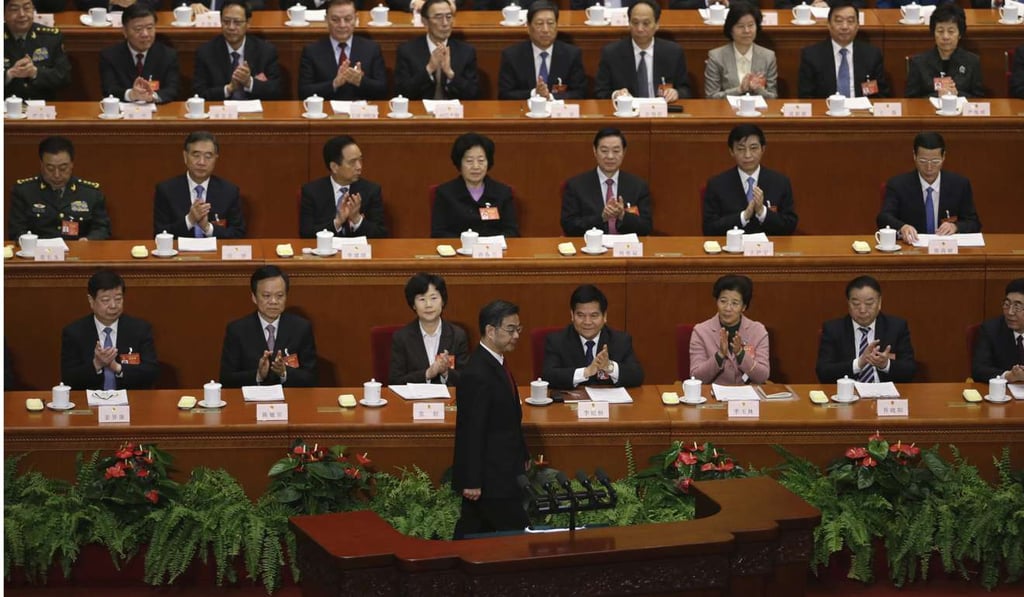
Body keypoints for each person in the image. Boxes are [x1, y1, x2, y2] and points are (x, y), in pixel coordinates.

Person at [452, 299, 530, 539]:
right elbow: (471, 431)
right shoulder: (477, 373)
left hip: (501, 470)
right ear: (490, 330)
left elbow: (508, 419)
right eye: (510, 329)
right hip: (490, 478)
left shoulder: (497, 363)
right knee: (517, 533)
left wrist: (523, 454)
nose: (516, 335)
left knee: (473, 531)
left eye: (519, 329)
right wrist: (472, 480)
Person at [220, 266, 318, 388]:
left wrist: (284, 373)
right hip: (251, 402)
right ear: (254, 297)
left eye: (280, 295)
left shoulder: (301, 328)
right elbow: (226, 380)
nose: (273, 301)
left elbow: (312, 378)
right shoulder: (237, 330)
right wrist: (258, 375)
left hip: (290, 401)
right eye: (266, 296)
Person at [60, 269, 159, 391]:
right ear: (91, 301)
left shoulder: (139, 329)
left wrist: (117, 367)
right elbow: (69, 379)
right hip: (89, 402)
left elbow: (151, 373)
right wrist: (97, 364)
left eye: (118, 299)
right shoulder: (74, 333)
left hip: (131, 401)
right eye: (106, 300)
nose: (113, 305)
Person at [877, 131, 980, 243]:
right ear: (914, 156)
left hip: (946, 250)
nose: (929, 167)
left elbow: (974, 223)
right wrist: (902, 227)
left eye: (935, 161)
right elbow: (884, 218)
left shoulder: (959, 185)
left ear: (944, 156)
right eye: (923, 161)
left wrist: (956, 227)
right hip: (912, 250)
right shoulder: (898, 185)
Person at [816, 275, 916, 384]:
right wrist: (858, 364)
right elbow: (823, 372)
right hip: (848, 395)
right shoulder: (833, 329)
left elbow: (909, 370)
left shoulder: (896, 327)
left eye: (869, 303)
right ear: (848, 303)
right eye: (856, 304)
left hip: (885, 396)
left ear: (879, 303)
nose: (862, 310)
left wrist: (885, 365)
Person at [542, 284, 644, 390]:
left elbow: (637, 376)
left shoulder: (620, 340)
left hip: (611, 405)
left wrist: (609, 367)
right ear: (572, 315)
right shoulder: (557, 341)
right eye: (580, 315)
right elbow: (548, 376)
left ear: (604, 316)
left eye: (594, 316)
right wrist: (586, 372)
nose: (587, 322)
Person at [703, 124, 798, 237]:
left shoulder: (780, 182)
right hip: (732, 251)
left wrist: (762, 212)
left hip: (770, 250)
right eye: (741, 149)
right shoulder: (716, 185)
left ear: (763, 149)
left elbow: (790, 226)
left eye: (753, 148)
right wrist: (743, 216)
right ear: (731, 151)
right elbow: (709, 229)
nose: (747, 155)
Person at [9, 136, 111, 241]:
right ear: (41, 165)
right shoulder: (24, 192)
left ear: (72, 164)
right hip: (37, 253)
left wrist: (88, 240)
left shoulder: (91, 193)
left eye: (63, 168)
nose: (57, 175)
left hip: (78, 253)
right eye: (50, 168)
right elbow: (17, 231)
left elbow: (102, 229)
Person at [561, 128, 653, 237]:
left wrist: (623, 215)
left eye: (616, 151)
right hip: (591, 248)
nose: (610, 156)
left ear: (624, 152)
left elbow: (646, 227)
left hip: (626, 249)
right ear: (595, 151)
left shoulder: (638, 186)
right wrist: (602, 218)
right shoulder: (576, 186)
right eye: (604, 151)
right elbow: (569, 226)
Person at [153, 131, 246, 238]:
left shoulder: (229, 191)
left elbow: (238, 234)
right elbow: (159, 234)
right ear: (185, 156)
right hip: (180, 253)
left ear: (216, 158)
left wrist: (207, 228)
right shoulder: (166, 190)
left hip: (216, 253)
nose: (201, 162)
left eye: (208, 156)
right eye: (196, 155)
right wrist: (190, 220)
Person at [594, 0, 690, 101]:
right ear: (629, 23)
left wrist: (676, 93)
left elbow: (685, 89)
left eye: (646, 23)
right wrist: (615, 95)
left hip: (662, 111)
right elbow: (600, 91)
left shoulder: (673, 52)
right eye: (635, 23)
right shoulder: (611, 53)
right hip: (627, 113)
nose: (640, 29)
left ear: (657, 24)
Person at [431, 132, 519, 238]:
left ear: (488, 162)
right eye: (469, 161)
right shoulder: (445, 193)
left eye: (481, 160)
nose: (476, 166)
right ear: (459, 163)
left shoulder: (503, 193)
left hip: (493, 251)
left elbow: (512, 232)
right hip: (458, 251)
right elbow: (438, 233)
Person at [389, 273, 470, 385]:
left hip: (449, 401)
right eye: (422, 299)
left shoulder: (458, 335)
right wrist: (427, 373)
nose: (428, 305)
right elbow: (395, 381)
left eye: (433, 298)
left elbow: (467, 380)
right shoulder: (402, 337)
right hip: (413, 401)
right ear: (413, 305)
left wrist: (446, 372)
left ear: (442, 301)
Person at [300, 135, 387, 238]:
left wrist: (357, 219)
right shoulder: (312, 192)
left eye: (360, 160)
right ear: (334, 167)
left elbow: (381, 235)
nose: (359, 167)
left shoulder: (371, 191)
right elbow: (306, 234)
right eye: (352, 162)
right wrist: (337, 222)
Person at [298, 0, 387, 101]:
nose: (342, 25)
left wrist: (360, 81)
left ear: (356, 19)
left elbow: (383, 91)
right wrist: (334, 84)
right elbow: (303, 93)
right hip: (326, 112)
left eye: (348, 19)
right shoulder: (312, 51)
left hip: (361, 113)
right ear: (326, 20)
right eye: (335, 20)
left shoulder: (371, 48)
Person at [797, 1, 889, 99]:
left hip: (861, 112)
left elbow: (880, 95)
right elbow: (806, 96)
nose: (845, 27)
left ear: (858, 26)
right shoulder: (812, 56)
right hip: (826, 111)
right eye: (839, 21)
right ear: (828, 25)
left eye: (850, 21)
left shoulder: (872, 55)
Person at [193, 0, 282, 100]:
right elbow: (199, 93)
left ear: (248, 23)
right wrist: (228, 89)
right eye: (226, 22)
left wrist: (249, 83)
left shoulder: (265, 51)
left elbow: (275, 91)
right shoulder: (206, 52)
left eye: (237, 22)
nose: (231, 27)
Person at [689, 274, 770, 385]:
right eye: (723, 301)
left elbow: (762, 376)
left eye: (734, 303)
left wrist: (740, 354)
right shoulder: (700, 332)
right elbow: (696, 377)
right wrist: (720, 355)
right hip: (712, 398)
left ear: (744, 307)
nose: (727, 308)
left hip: (747, 398)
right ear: (716, 301)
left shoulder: (758, 331)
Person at [497, 1, 586, 100]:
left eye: (550, 23)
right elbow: (505, 94)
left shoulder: (571, 54)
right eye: (539, 23)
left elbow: (580, 93)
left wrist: (550, 96)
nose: (545, 30)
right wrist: (534, 93)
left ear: (557, 26)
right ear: (528, 27)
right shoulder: (512, 56)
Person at [394, 0, 479, 100]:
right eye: (438, 17)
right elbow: (401, 93)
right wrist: (429, 69)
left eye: (449, 17)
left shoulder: (466, 51)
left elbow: (474, 94)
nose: (445, 23)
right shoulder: (407, 51)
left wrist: (451, 75)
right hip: (420, 112)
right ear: (425, 21)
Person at [99, 4, 180, 104]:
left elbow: (172, 90)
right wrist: (131, 94)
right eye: (138, 29)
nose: (145, 34)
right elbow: (109, 89)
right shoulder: (110, 56)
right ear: (124, 31)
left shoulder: (168, 55)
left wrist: (152, 96)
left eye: (150, 28)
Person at [905, 4, 984, 99]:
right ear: (933, 33)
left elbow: (979, 100)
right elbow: (910, 101)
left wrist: (956, 94)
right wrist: (937, 95)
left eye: (951, 31)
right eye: (940, 31)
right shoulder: (918, 63)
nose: (945, 37)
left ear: (960, 34)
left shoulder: (972, 62)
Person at [704, 3, 777, 100]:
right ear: (731, 30)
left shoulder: (768, 56)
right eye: (740, 26)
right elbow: (711, 97)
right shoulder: (716, 56)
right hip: (727, 112)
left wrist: (759, 90)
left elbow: (773, 96)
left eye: (751, 25)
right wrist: (739, 90)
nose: (747, 31)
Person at [3, 0, 71, 101]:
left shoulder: (51, 38)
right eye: (14, 9)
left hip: (42, 109)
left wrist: (35, 73)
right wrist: (8, 75)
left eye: (27, 8)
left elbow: (64, 77)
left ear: (34, 10)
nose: (22, 14)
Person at [972, 279, 1024, 383]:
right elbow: (979, 370)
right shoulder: (990, 330)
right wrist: (1008, 376)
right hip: (1003, 395)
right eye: (1007, 304)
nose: (1010, 312)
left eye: (1017, 307)